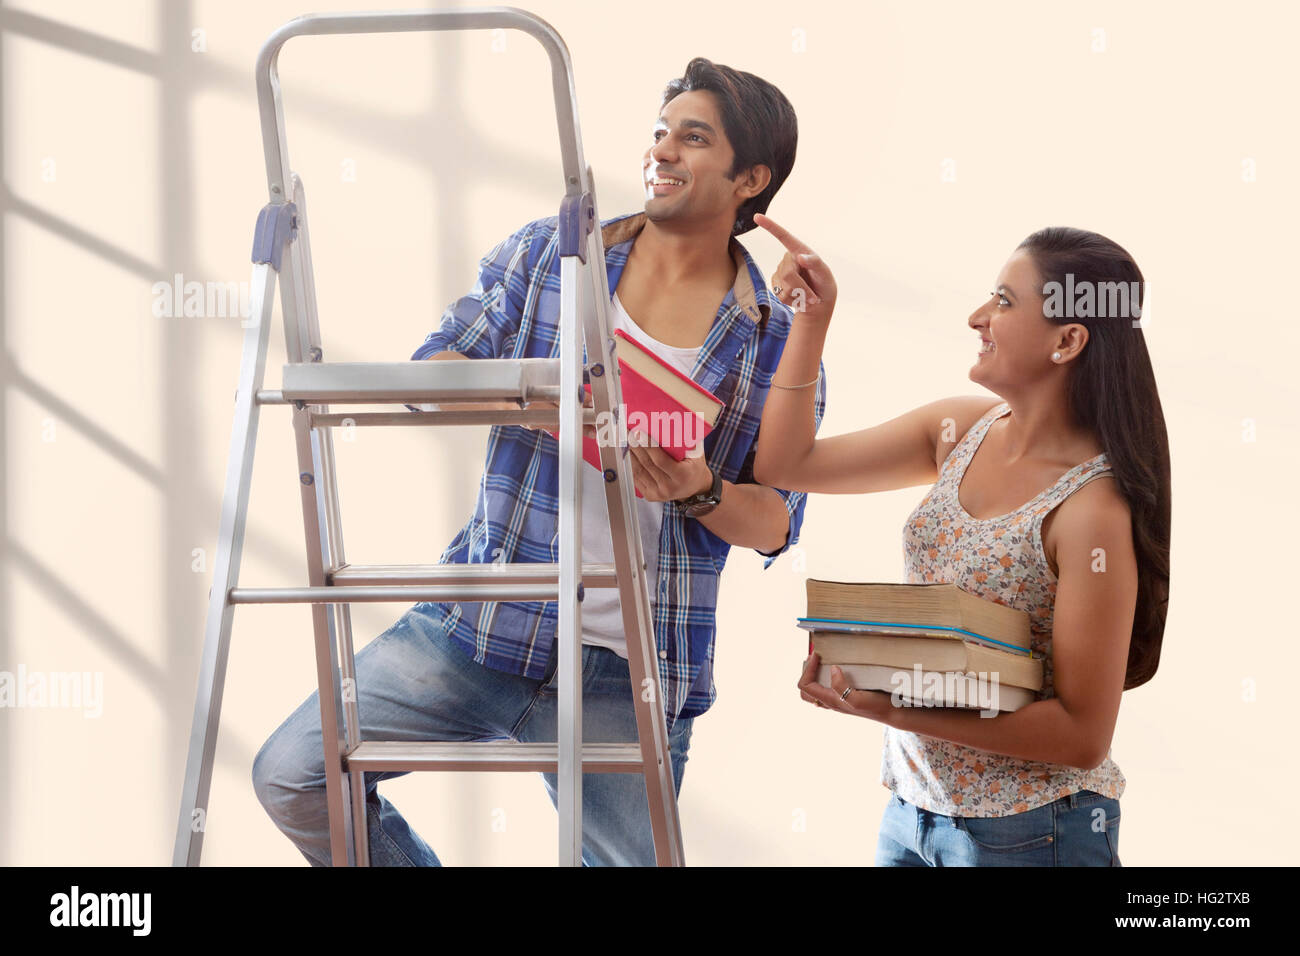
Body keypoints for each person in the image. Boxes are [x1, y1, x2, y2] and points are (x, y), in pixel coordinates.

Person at [252, 58, 826, 866]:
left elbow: (775, 522)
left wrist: (699, 489)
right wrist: (533, 395)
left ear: (751, 179)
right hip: (484, 623)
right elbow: (434, 370)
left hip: (630, 667)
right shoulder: (551, 257)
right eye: (659, 133)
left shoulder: (770, 332)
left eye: (692, 139)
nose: (662, 151)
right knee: (293, 775)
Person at [751, 214, 1169, 867]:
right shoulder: (959, 431)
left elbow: (1083, 736)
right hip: (913, 812)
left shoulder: (1092, 511)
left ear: (1068, 340)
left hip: (1032, 833)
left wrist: (889, 707)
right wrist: (810, 321)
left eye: (1004, 300)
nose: (979, 316)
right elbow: (785, 464)